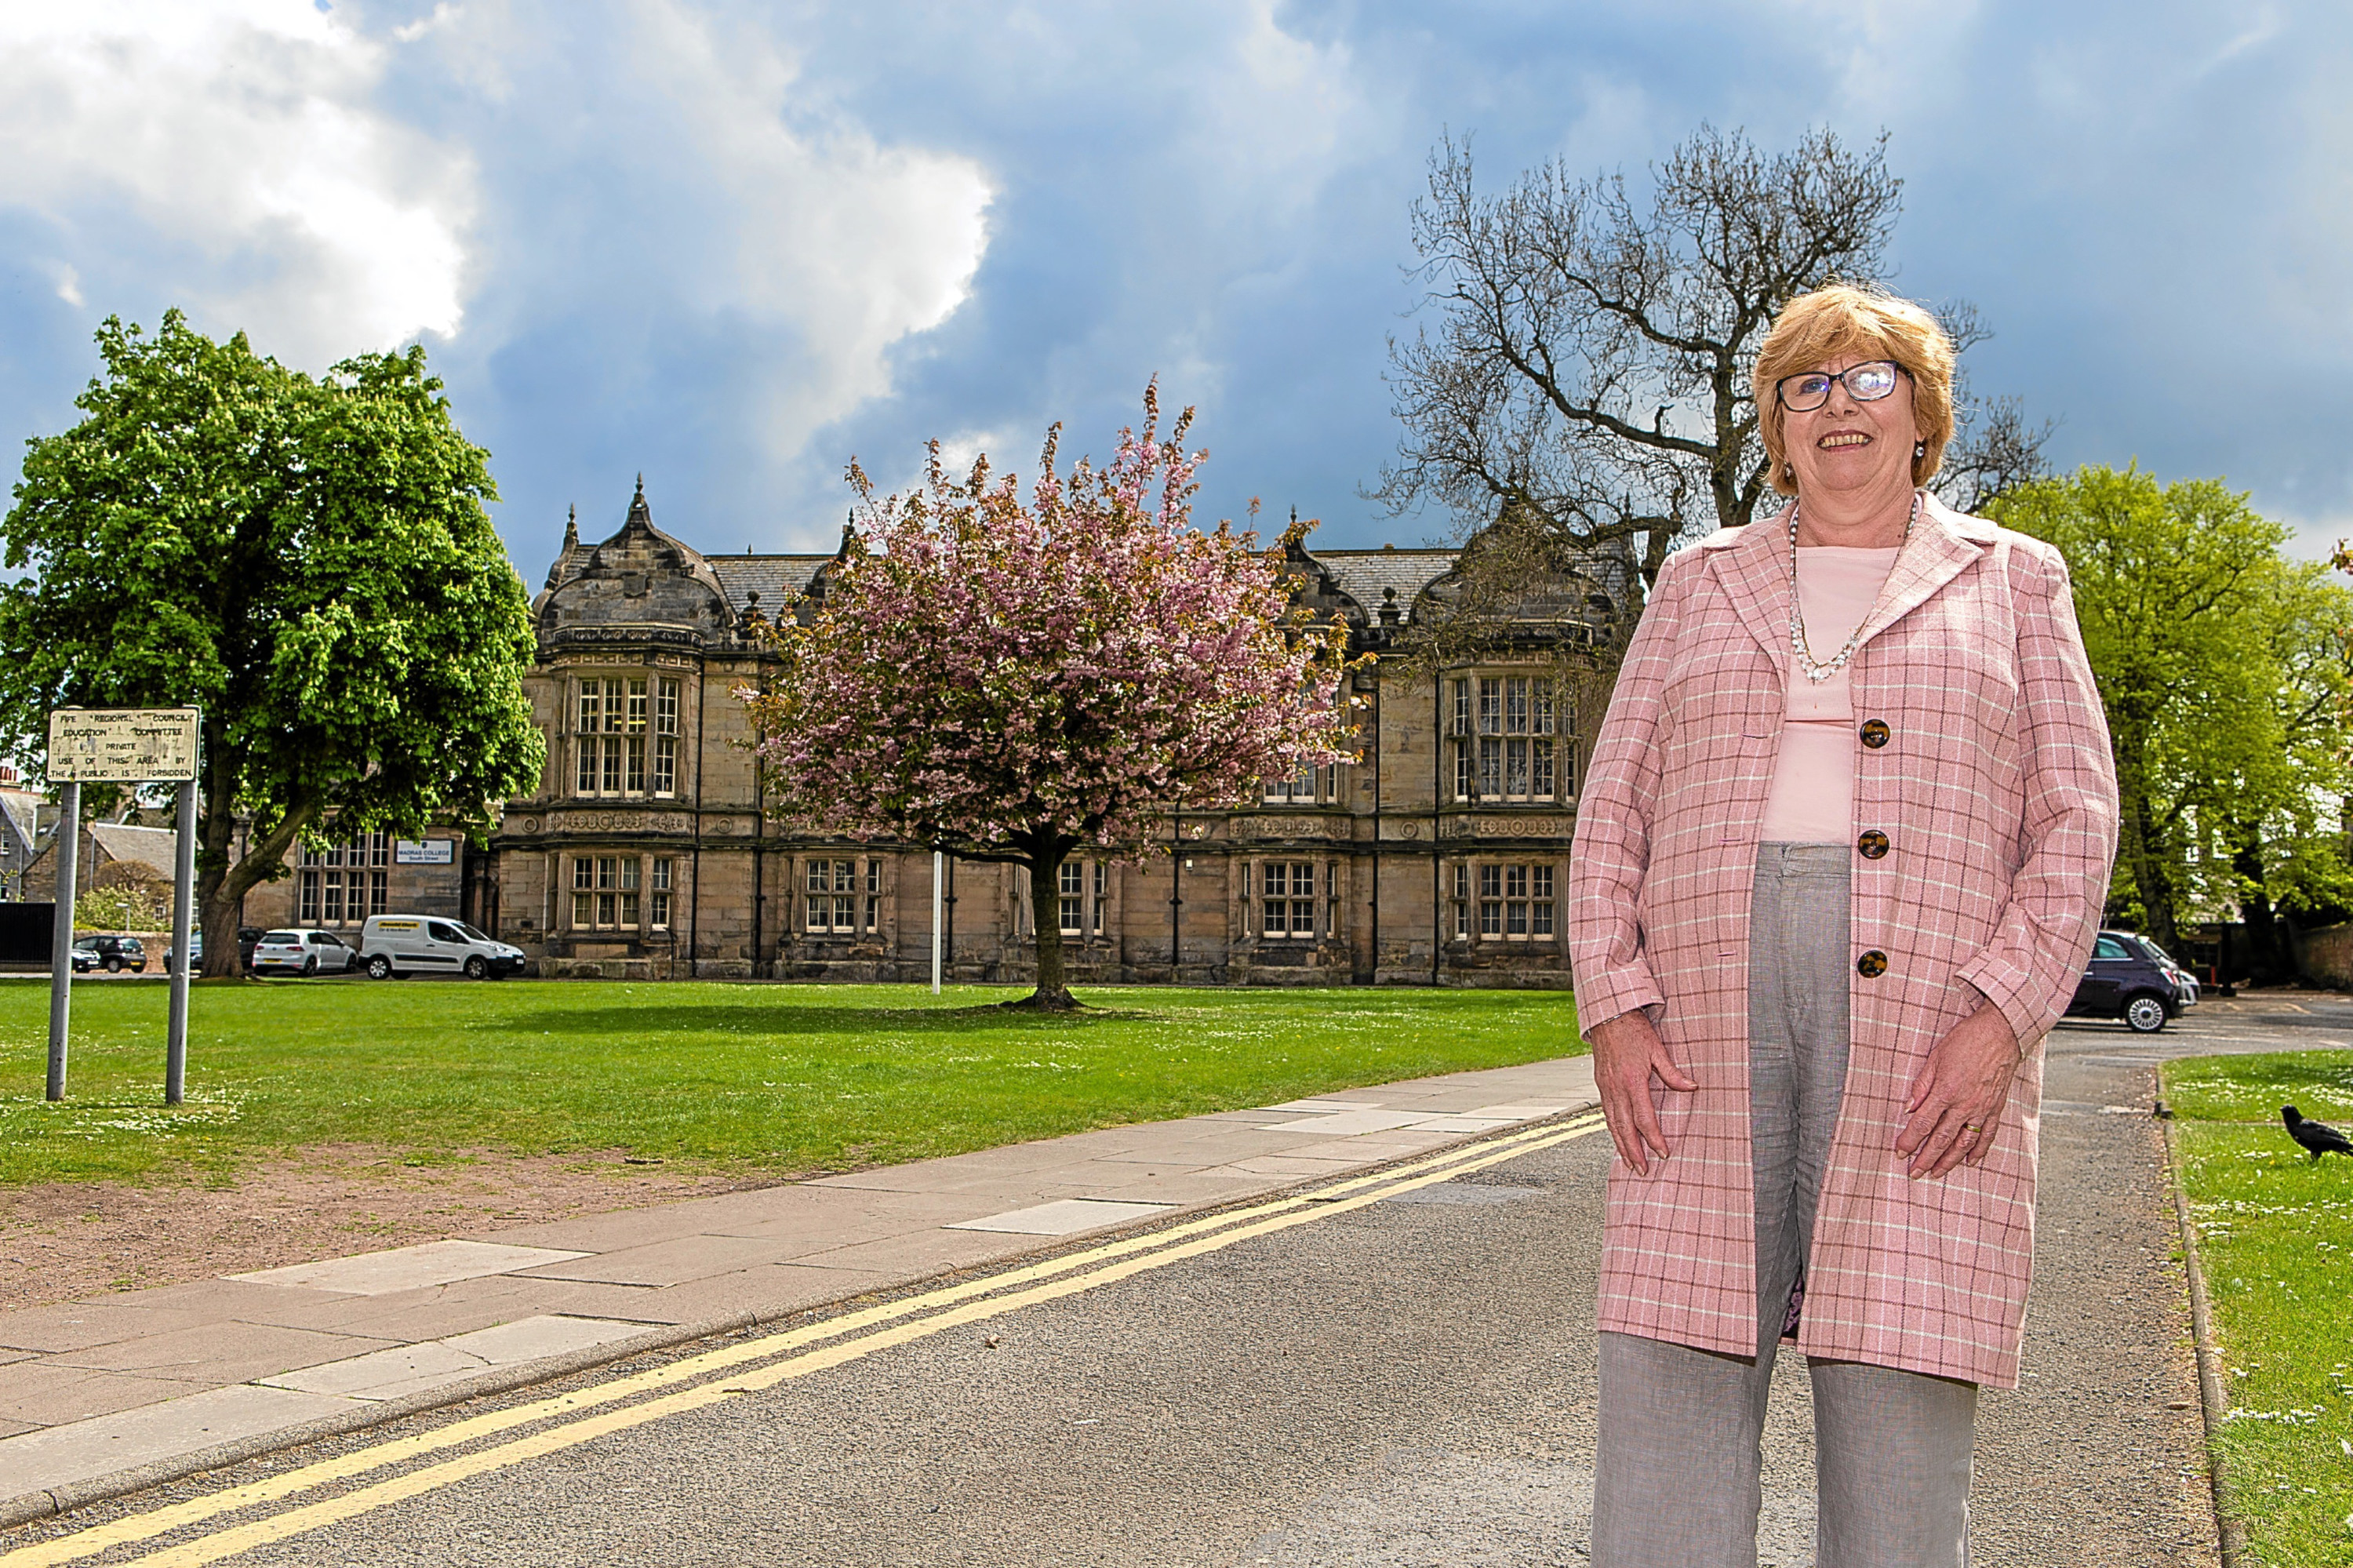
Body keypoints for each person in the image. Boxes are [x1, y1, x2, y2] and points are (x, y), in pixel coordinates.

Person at [1566, 283, 2118, 1567]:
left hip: (1932, 1020)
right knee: (1669, 1378)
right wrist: (1614, 1006)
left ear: (1923, 414)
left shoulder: (2016, 581)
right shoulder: (1698, 581)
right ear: (1774, 429)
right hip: (1701, 1016)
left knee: (1898, 1412)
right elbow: (1612, 815)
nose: (1839, 407)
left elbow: (2077, 822)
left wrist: (2001, 1027)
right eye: (1805, 387)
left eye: (1870, 379)